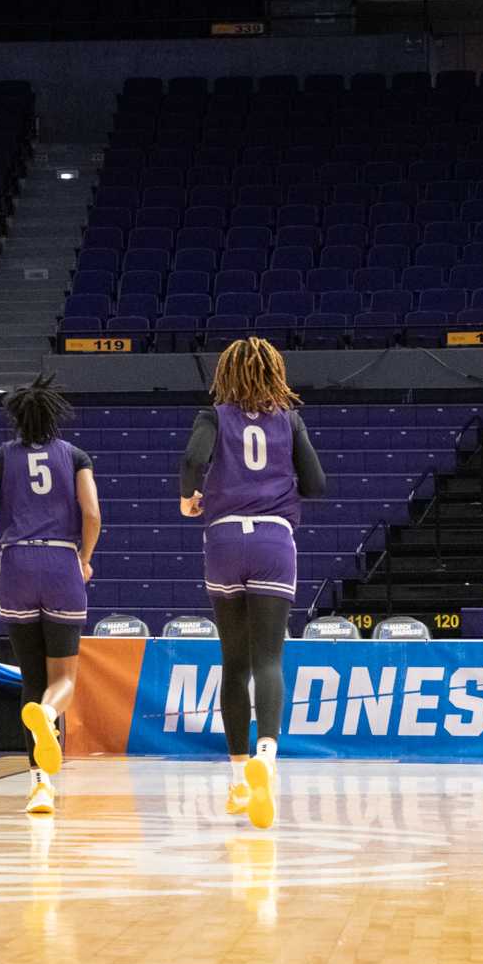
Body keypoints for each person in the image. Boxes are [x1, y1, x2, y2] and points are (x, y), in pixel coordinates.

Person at [179, 336, 325, 832]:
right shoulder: (290, 419)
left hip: (223, 540)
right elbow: (317, 483)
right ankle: (268, 753)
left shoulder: (214, 416)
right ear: (273, 374)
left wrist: (188, 496)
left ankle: (240, 778)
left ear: (226, 374)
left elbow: (193, 460)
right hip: (273, 540)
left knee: (233, 661)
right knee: (269, 657)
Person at [0, 375, 101, 817]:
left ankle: (39, 786)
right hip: (61, 563)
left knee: (31, 676)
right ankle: (49, 716)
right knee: (62, 679)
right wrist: (83, 557)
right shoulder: (75, 456)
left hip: (16, 566)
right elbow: (93, 514)